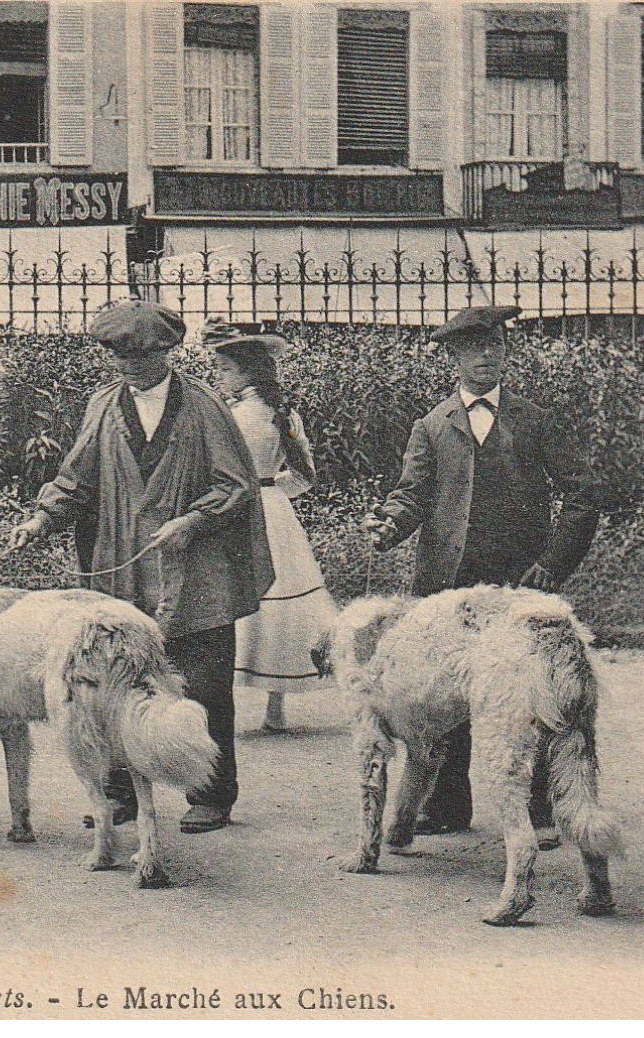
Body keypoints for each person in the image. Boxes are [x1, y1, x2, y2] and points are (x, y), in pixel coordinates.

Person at [10, 299, 274, 834]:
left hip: (196, 573)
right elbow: (75, 479)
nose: (126, 366)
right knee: (114, 682)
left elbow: (236, 486)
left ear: (166, 352)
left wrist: (191, 522)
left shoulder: (203, 408)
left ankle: (210, 794)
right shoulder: (103, 406)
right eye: (116, 356)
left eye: (137, 355)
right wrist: (41, 519)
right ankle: (120, 794)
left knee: (202, 683)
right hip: (122, 565)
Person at [369, 305, 600, 842]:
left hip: (519, 587)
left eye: (494, 347)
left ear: (506, 352)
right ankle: (444, 805)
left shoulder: (535, 420)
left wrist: (553, 563)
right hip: (446, 588)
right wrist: (388, 525)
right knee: (445, 691)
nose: (485, 358)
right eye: (472, 350)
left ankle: (542, 810)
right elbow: (412, 495)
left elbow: (585, 494)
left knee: (530, 691)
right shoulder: (431, 426)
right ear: (452, 357)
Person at [205, 320, 337, 732]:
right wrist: (272, 489)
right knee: (278, 603)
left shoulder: (229, 417)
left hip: (237, 510)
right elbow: (304, 476)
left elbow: (215, 471)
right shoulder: (284, 413)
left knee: (233, 602)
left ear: (246, 372)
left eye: (225, 369)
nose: (219, 377)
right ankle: (274, 708)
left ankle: (218, 707)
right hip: (274, 510)